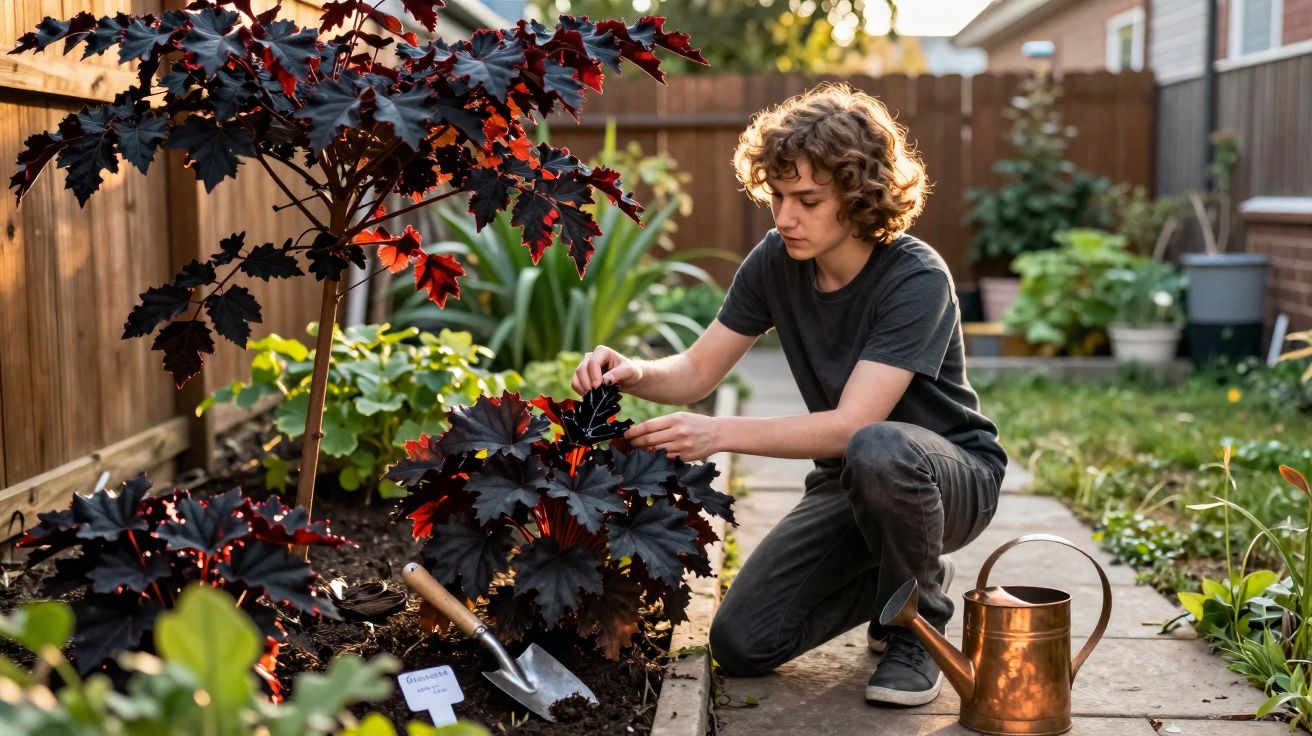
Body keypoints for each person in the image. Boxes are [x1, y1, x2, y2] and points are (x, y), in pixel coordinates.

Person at [571, 83, 1006, 706]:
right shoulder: (778, 260)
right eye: (777, 196)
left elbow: (852, 427)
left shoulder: (916, 277)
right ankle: (899, 576)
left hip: (949, 478)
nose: (784, 217)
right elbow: (697, 371)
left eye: (807, 199)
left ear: (858, 197)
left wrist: (718, 434)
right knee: (743, 642)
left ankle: (917, 620)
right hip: (851, 484)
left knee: (879, 447)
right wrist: (633, 371)